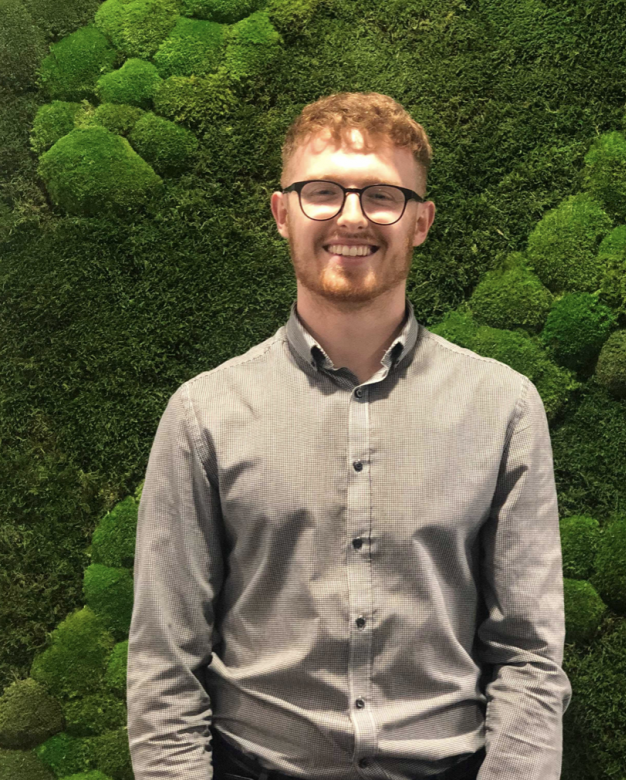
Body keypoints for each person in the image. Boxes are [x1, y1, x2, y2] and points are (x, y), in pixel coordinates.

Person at [127, 91, 572, 780]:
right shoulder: (202, 416)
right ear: (283, 213)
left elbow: (529, 657)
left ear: (421, 222)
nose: (352, 217)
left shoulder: (503, 408)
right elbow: (164, 663)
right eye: (323, 192)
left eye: (382, 197)